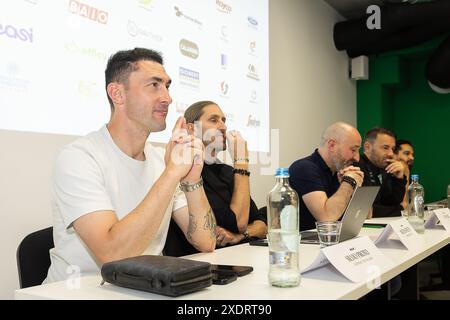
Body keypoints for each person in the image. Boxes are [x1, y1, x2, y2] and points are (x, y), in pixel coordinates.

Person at [45, 48, 216, 283]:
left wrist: (191, 179)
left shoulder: (160, 161)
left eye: (167, 86)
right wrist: (171, 174)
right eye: (154, 85)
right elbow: (113, 256)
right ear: (118, 94)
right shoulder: (79, 157)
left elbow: (205, 241)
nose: (167, 97)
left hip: (142, 288)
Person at [164, 101, 267, 256]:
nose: (223, 127)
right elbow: (238, 222)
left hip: (236, 260)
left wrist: (239, 236)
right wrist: (241, 163)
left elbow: (261, 224)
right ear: (191, 129)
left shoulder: (228, 172)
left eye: (224, 120)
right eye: (214, 120)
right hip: (197, 265)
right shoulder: (186, 171)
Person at [289, 122, 364, 231]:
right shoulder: (304, 168)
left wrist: (354, 186)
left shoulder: (338, 171)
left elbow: (365, 214)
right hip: (304, 245)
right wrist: (349, 182)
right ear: (332, 145)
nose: (357, 158)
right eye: (353, 150)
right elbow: (327, 220)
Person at [359, 128, 406, 218]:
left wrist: (398, 178)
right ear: (367, 147)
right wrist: (400, 209)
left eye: (393, 149)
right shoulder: (357, 166)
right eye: (385, 148)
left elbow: (391, 202)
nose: (391, 154)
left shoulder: (383, 167)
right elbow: (365, 210)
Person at [394, 139, 415, 209]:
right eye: (407, 153)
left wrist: (406, 175)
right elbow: (404, 205)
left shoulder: (406, 174)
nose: (412, 158)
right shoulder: (384, 176)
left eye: (412, 155)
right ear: (394, 155)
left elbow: (407, 205)